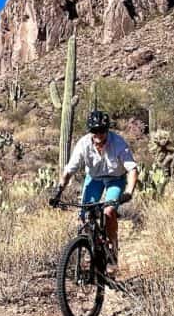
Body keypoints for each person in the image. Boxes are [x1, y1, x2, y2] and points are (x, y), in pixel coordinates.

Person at [49, 110, 138, 270]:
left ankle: (112, 252)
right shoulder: (83, 144)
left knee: (109, 211)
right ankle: (91, 247)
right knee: (84, 213)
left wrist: (129, 192)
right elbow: (69, 170)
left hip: (115, 179)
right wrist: (59, 191)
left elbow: (132, 169)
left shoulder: (118, 143)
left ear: (107, 130)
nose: (98, 135)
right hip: (94, 179)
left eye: (101, 131)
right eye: (94, 131)